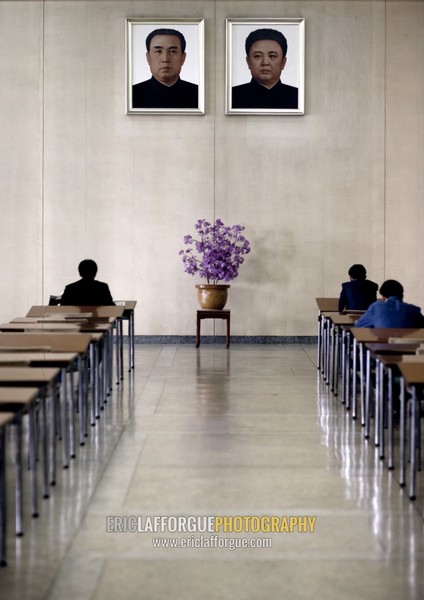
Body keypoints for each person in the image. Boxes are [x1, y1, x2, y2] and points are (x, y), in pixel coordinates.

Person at [232, 28, 298, 109]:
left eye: (272, 56)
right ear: (248, 62)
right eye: (257, 56)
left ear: (283, 62)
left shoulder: (298, 97)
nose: (265, 62)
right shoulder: (232, 96)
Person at [132, 28, 198, 109]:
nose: (165, 59)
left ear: (183, 58)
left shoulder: (200, 94)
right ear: (148, 58)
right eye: (158, 51)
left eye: (173, 51)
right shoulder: (131, 95)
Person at [355, 279, 424, 328]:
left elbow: (358, 326)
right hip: (409, 348)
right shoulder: (413, 310)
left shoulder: (376, 307)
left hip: (380, 347)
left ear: (383, 297)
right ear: (402, 296)